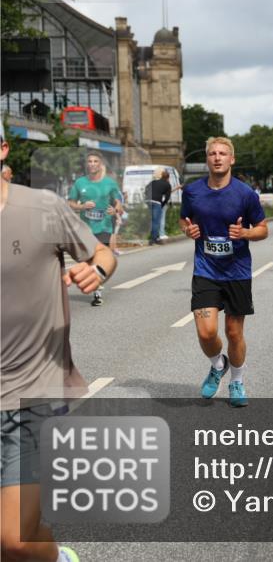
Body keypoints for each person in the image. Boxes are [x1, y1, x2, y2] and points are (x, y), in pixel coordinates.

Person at [1, 127, 116, 562]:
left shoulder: (43, 208)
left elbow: (103, 254)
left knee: (12, 540)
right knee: (18, 533)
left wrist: (97, 272)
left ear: (3, 150)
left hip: (32, 390)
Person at [180, 137, 268, 408]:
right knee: (206, 333)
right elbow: (185, 220)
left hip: (237, 272)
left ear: (232, 159)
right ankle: (219, 364)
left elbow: (263, 228)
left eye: (222, 153)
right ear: (207, 159)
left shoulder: (245, 194)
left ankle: (237, 380)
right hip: (206, 270)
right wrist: (187, 230)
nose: (217, 157)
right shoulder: (192, 191)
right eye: (212, 153)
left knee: (233, 333)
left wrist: (245, 232)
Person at [67, 151, 122, 307]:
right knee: (90, 259)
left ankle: (97, 292)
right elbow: (70, 203)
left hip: (104, 226)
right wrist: (82, 206)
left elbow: (118, 201)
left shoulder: (109, 183)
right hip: (86, 228)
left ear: (100, 164)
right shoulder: (80, 183)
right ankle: (97, 286)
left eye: (95, 161)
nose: (92, 164)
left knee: (99, 257)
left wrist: (115, 210)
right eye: (89, 161)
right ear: (87, 164)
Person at [148, 167, 172, 245]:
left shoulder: (153, 182)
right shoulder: (167, 185)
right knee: (156, 221)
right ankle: (153, 239)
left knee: (152, 220)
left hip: (149, 201)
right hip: (157, 202)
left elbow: (146, 188)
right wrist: (162, 204)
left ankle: (155, 236)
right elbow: (167, 198)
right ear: (168, 177)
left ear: (161, 176)